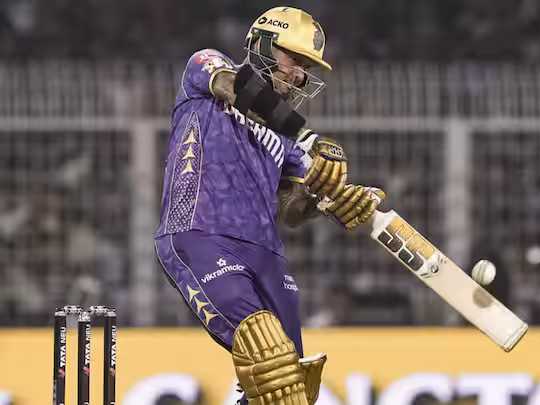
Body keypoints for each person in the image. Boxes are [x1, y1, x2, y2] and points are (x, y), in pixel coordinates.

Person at [154, 7, 385, 405]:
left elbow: (291, 211)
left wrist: (331, 201)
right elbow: (236, 87)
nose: (298, 75)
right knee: (268, 353)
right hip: (200, 233)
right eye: (294, 59)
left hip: (266, 254)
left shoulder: (286, 142)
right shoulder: (207, 69)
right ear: (262, 45)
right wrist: (309, 138)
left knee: (288, 386)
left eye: (305, 68)